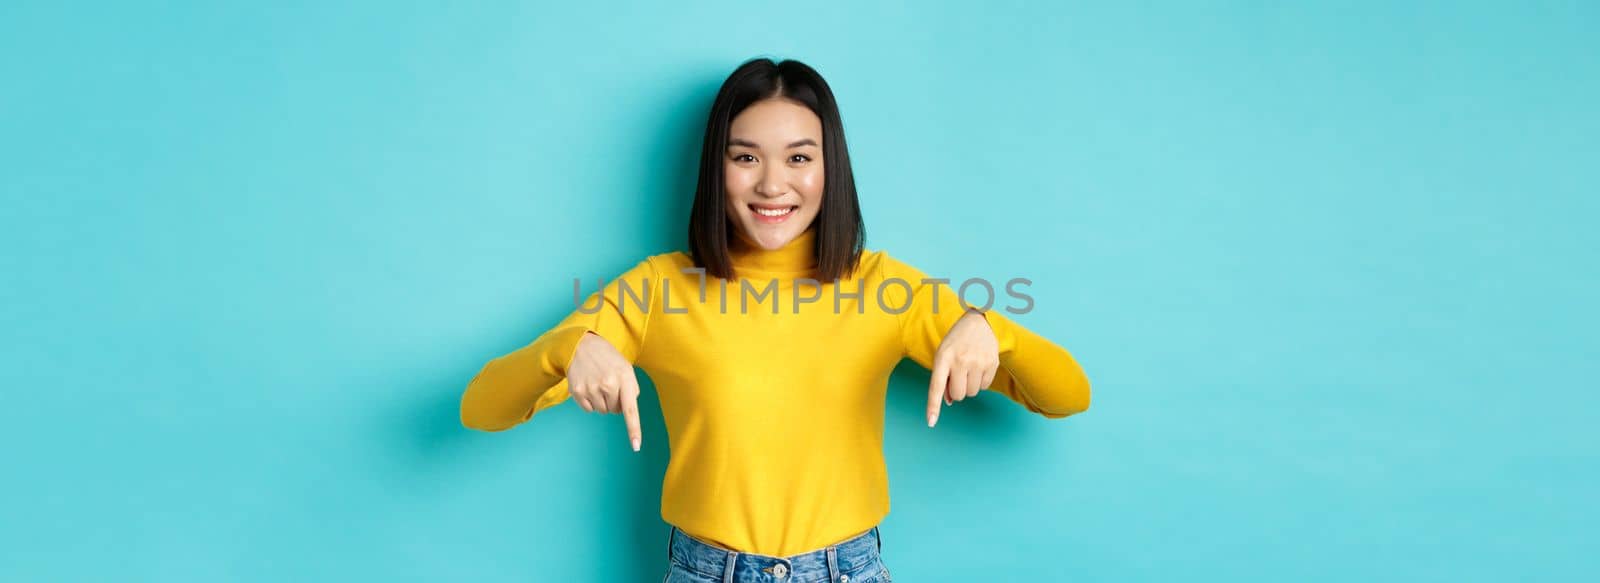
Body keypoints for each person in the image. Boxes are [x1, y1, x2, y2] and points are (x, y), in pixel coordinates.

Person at [460, 57, 1091, 583]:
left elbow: (1068, 395)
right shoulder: (656, 290)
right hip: (705, 569)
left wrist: (991, 327)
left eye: (797, 158)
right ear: (718, 168)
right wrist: (569, 348)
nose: (771, 185)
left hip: (849, 569)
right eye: (745, 157)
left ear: (829, 168)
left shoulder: (886, 288)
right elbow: (481, 408)